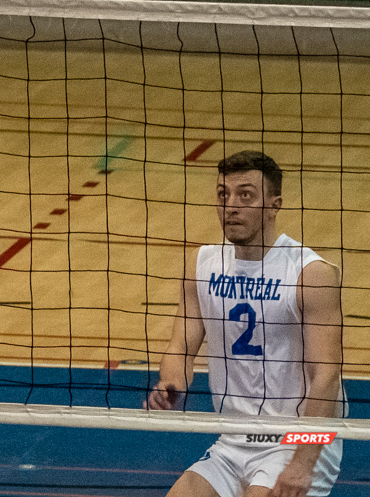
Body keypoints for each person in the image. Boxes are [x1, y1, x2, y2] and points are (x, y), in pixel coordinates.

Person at [147, 150, 344, 497]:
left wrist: (302, 463)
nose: (231, 206)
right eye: (223, 195)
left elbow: (326, 377)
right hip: (234, 439)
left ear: (274, 205)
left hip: (295, 439)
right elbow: (181, 346)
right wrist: (171, 381)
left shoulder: (310, 274)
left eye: (246, 195)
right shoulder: (202, 264)